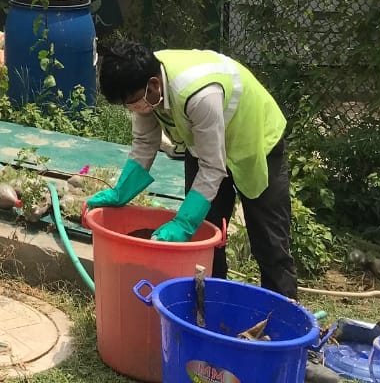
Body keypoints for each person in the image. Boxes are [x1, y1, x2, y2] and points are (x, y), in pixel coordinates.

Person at [88, 40, 298, 300]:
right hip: (204, 147)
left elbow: (213, 167)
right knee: (205, 240)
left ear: (154, 84)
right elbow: (145, 143)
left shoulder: (199, 94)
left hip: (255, 143)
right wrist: (120, 193)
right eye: (126, 105)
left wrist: (183, 222)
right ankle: (210, 310)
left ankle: (284, 325)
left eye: (132, 102)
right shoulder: (143, 85)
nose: (133, 109)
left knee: (269, 243)